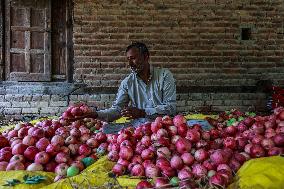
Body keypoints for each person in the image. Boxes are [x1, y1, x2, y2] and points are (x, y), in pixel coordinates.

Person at [88, 42, 176, 122]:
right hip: (140, 130)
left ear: (146, 57)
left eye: (133, 58)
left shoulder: (164, 76)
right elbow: (117, 110)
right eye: (128, 59)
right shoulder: (127, 83)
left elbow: (171, 108)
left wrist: (142, 112)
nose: (130, 64)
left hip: (164, 126)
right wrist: (95, 114)